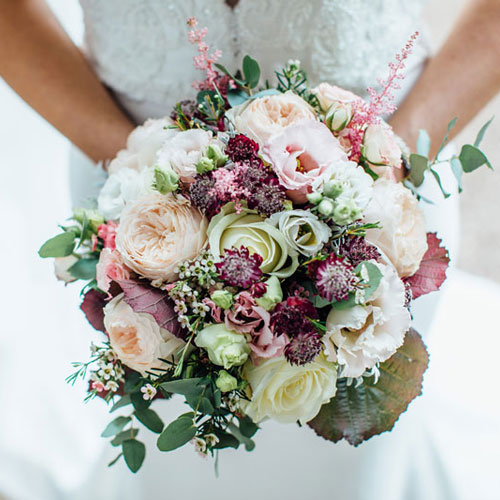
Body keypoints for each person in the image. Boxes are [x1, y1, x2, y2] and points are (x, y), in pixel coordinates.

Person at [0, 1, 499, 499]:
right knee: (178, 459)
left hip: (385, 198)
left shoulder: (384, 184)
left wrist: (383, 170)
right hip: (134, 203)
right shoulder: (134, 195)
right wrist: (135, 167)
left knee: (348, 468)